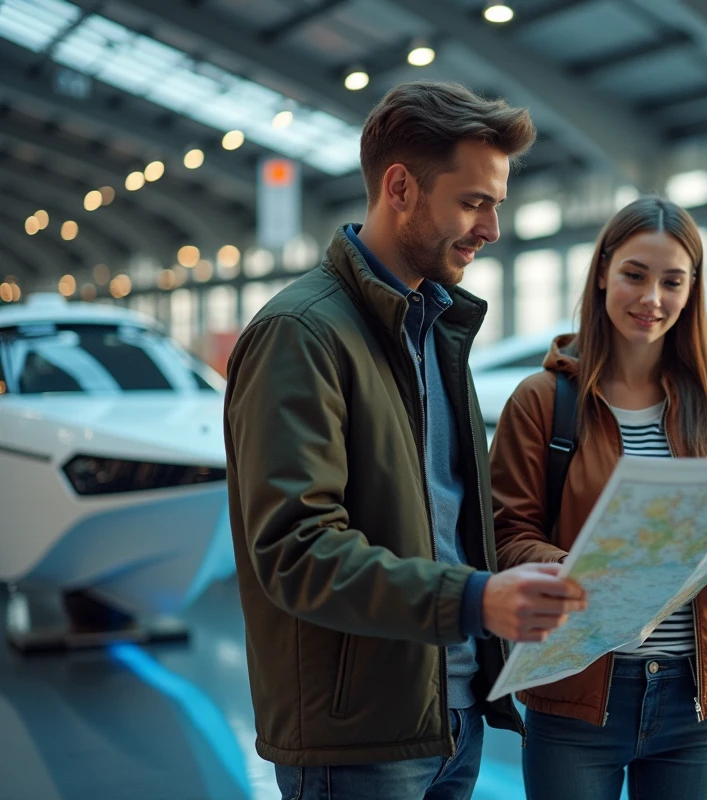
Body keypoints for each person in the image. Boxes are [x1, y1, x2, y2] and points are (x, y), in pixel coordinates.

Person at [223, 81, 587, 800]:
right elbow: (296, 551)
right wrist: (477, 599)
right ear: (400, 188)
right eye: (474, 202)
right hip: (356, 737)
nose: (492, 229)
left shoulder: (435, 330)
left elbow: (447, 519)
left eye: (496, 206)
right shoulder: (301, 334)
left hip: (452, 713)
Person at [489, 196, 707, 800]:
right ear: (603, 270)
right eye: (635, 274)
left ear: (693, 289)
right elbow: (504, 535)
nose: (652, 299)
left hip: (697, 701)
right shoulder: (541, 402)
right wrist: (578, 572)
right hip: (578, 697)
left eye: (672, 281)